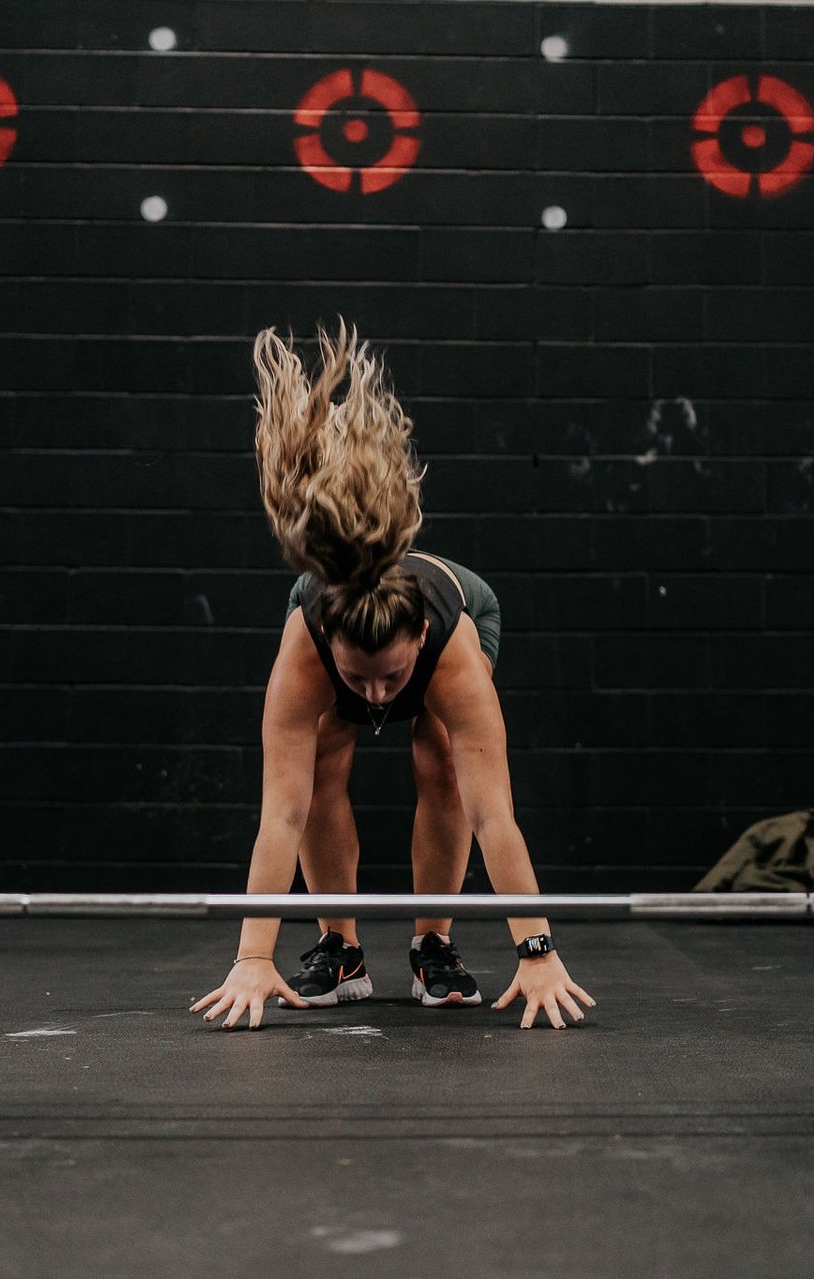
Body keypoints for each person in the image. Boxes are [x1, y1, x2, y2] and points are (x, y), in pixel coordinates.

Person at [190, 324, 595, 1031]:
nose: (378, 698)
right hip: (341, 646)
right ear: (330, 649)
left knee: (441, 759)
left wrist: (536, 950)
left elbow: (493, 812)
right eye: (360, 679)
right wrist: (253, 955)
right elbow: (279, 812)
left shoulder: (454, 647)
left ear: (420, 642)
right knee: (320, 761)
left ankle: (433, 942)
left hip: (469, 604)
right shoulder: (304, 644)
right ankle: (338, 949)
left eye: (392, 679)